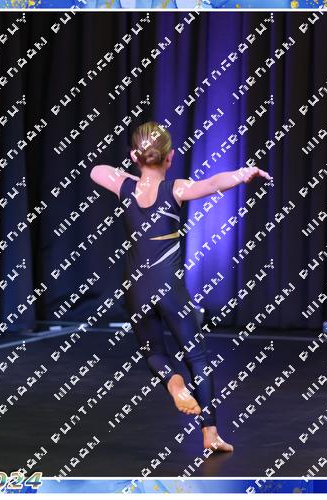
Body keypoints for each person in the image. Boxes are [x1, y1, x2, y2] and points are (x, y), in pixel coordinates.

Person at [89, 121, 271, 452]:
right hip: (169, 289)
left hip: (135, 290)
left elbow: (97, 171)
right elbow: (213, 183)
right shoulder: (176, 189)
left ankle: (174, 385)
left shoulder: (124, 188)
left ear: (134, 156)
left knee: (154, 353)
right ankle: (210, 432)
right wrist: (242, 173)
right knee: (197, 356)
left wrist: (131, 176)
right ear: (170, 156)